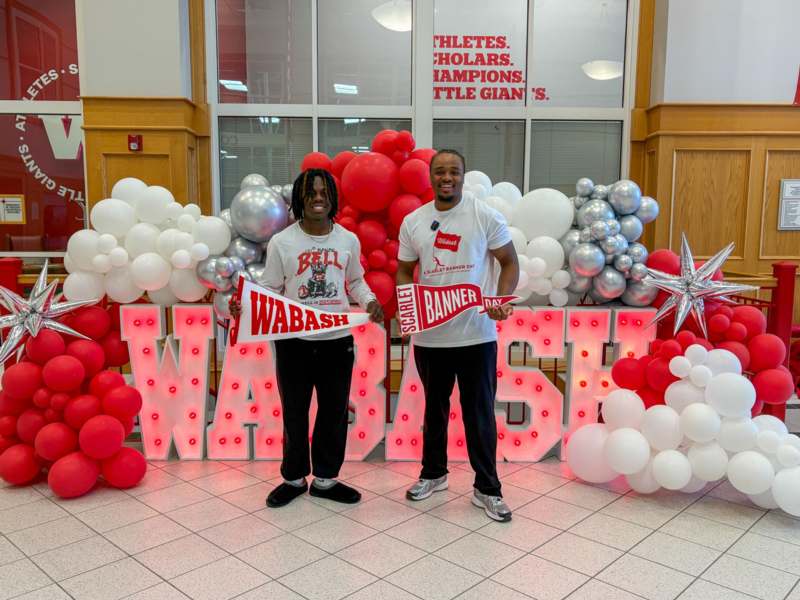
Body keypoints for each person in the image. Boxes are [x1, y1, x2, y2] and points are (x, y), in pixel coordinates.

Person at [230, 168, 384, 508]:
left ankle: (327, 480)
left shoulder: (347, 239)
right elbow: (270, 288)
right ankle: (294, 478)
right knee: (295, 412)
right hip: (293, 341)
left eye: (324, 192)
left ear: (332, 199)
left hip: (336, 341)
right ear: (300, 199)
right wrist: (244, 304)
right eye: (311, 193)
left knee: (333, 411)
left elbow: (356, 281)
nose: (318, 198)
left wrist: (370, 300)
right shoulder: (283, 242)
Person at [396, 150, 519, 522]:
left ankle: (488, 488)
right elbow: (404, 270)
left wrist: (499, 298)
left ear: (464, 176)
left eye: (454, 171)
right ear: (430, 177)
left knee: (478, 414)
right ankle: (433, 474)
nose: (446, 177)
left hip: (476, 336)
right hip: (430, 338)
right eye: (440, 172)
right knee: (433, 411)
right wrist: (409, 307)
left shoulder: (484, 215)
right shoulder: (414, 221)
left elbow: (510, 261)